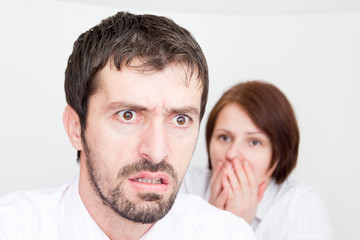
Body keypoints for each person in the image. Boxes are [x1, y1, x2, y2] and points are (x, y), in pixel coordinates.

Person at [0, 12, 256, 240]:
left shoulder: (229, 235)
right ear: (76, 128)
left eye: (180, 120)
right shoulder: (10, 229)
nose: (156, 152)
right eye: (128, 115)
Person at [181, 81, 333, 239]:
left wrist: (235, 227)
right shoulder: (184, 185)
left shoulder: (301, 205)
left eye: (254, 142)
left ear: (279, 153)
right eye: (224, 137)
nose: (232, 153)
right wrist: (213, 221)